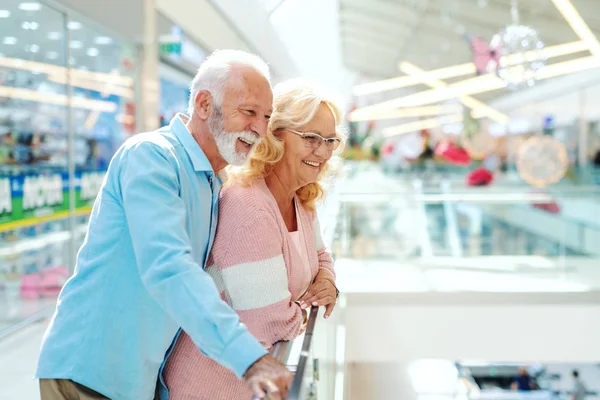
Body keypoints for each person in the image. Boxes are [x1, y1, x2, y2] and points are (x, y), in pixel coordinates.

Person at [36, 50, 293, 400]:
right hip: (89, 375)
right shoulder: (152, 157)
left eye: (265, 116)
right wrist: (250, 359)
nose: (260, 129)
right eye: (248, 112)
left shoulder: (211, 181)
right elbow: (168, 268)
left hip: (133, 382)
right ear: (204, 104)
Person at [161, 79, 343, 400]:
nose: (323, 151)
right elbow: (269, 324)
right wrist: (304, 307)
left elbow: (322, 257)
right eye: (311, 138)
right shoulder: (250, 204)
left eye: (330, 140)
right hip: (209, 387)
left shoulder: (300, 199)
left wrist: (326, 279)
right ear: (275, 136)